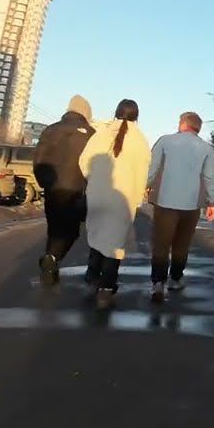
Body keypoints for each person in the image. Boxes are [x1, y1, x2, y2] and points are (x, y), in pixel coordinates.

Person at [79, 99, 151, 310]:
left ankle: (92, 279)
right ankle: (106, 287)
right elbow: (143, 174)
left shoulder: (100, 134)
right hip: (123, 198)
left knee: (97, 237)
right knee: (114, 244)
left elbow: (84, 162)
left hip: (98, 194)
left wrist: (94, 180)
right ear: (137, 116)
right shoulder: (140, 140)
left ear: (116, 112)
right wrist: (136, 198)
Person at [145, 111, 214, 304]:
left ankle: (158, 283)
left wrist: (145, 185)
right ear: (198, 128)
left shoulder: (165, 141)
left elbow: (152, 168)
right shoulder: (206, 148)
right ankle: (175, 278)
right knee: (182, 244)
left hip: (165, 201)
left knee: (161, 243)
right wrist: (212, 202)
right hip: (191, 204)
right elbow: (210, 177)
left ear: (183, 124)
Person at [32, 95, 94, 286]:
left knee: (55, 228)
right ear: (86, 113)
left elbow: (39, 159)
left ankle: (50, 263)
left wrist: (45, 182)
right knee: (71, 231)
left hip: (53, 188)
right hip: (77, 190)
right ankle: (52, 259)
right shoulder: (91, 134)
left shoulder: (51, 130)